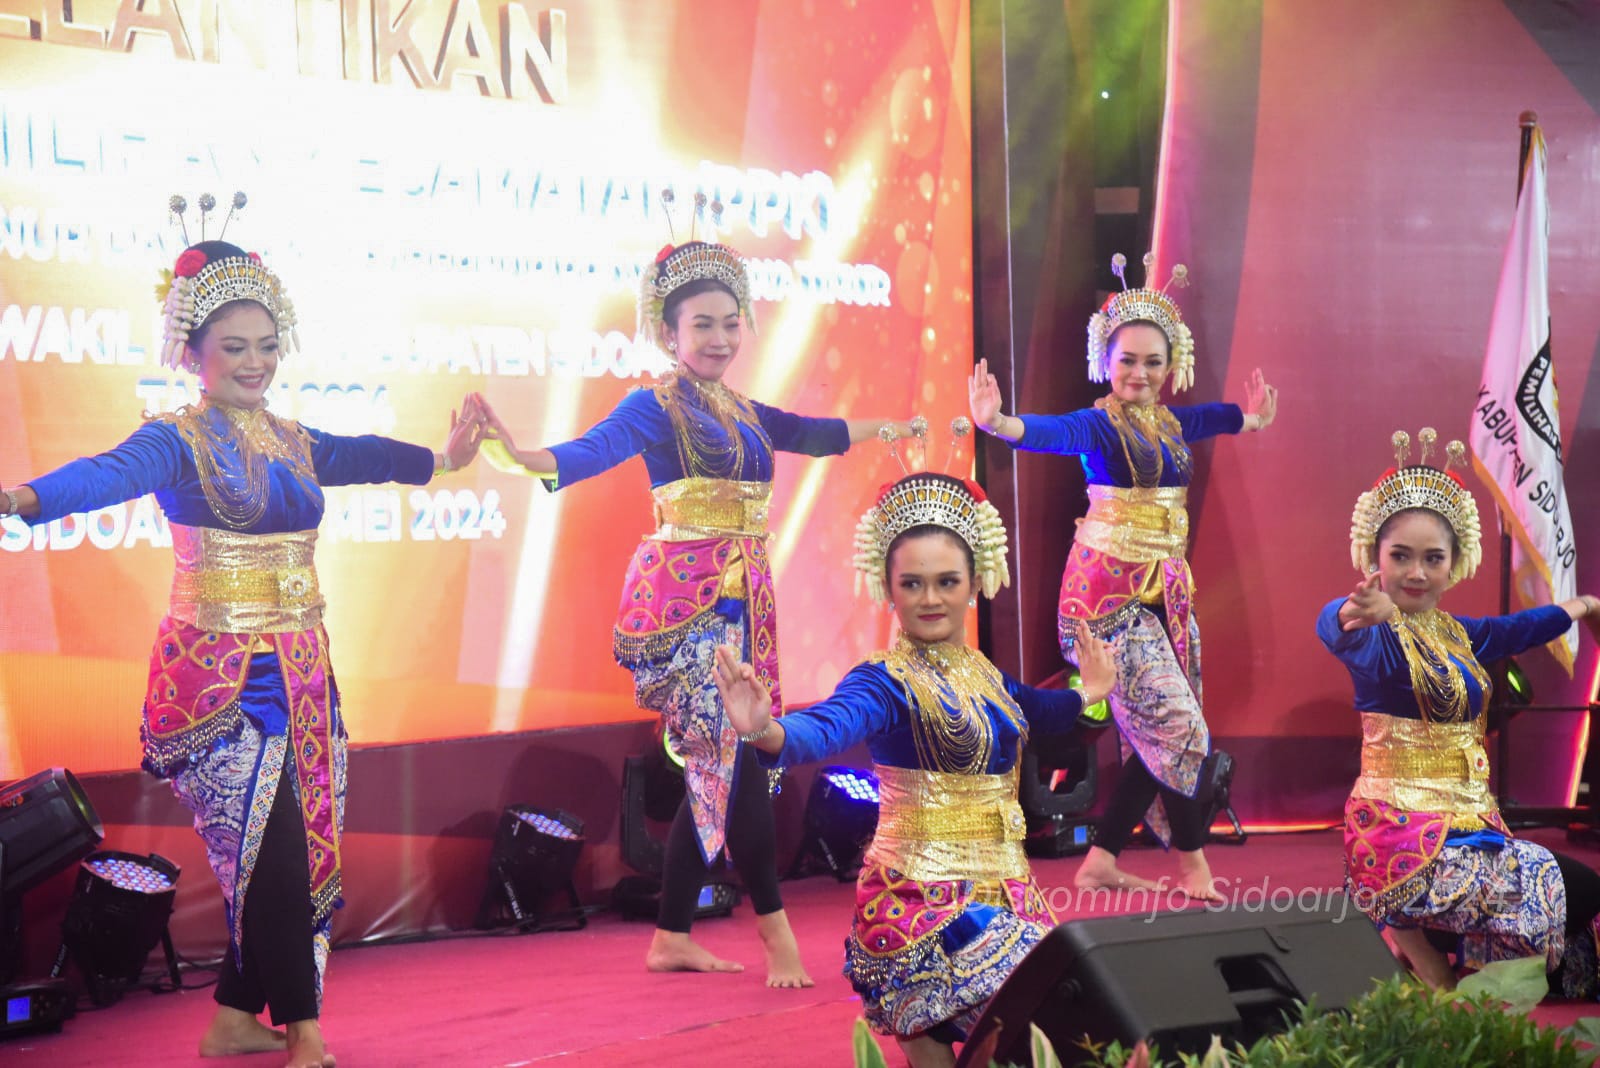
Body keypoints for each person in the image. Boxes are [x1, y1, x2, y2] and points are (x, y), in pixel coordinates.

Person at [0, 233, 484, 1068]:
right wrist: (21, 497)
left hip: (302, 672)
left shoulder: (290, 438)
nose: (256, 363)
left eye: (267, 345)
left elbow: (363, 455)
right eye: (235, 347)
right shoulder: (175, 441)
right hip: (220, 683)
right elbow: (105, 474)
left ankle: (232, 1017)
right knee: (275, 854)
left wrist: (441, 459)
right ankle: (305, 1032)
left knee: (298, 847)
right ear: (192, 353)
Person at [472, 237, 912, 987]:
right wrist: (512, 455)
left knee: (719, 765)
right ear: (667, 332)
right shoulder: (653, 407)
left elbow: (812, 433)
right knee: (731, 764)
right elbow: (584, 454)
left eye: (730, 323)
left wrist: (894, 428)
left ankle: (671, 935)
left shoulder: (740, 409)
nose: (719, 338)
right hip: (686, 610)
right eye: (701, 324)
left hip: (745, 607)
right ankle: (777, 937)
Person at [712, 471, 1117, 1068]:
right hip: (920, 908)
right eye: (913, 584)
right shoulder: (882, 681)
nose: (930, 599)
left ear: (974, 584)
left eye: (947, 582)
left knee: (1071, 1031)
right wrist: (766, 731)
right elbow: (829, 724)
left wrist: (1089, 692)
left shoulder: (982, 672)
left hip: (1009, 896)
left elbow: (1039, 708)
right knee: (1054, 1015)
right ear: (889, 589)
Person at [967, 253, 1278, 900]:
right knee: (1180, 729)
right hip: (1106, 601)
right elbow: (1049, 432)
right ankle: (1191, 866)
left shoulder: (1169, 422)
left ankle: (1104, 859)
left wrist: (1250, 419)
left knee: (1158, 734)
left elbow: (1209, 418)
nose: (1140, 373)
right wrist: (998, 423)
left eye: (1153, 362)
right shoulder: (1098, 425)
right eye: (1127, 360)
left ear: (1171, 365)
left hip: (1164, 593)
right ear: (1104, 360)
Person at [1319, 427, 1600, 994]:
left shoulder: (1455, 632)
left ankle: (1433, 956)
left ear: (1454, 565)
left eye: (1432, 559)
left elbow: (1517, 628)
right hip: (1399, 838)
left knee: (1579, 912)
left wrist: (1583, 604)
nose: (1416, 573)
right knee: (1566, 887)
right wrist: (1357, 611)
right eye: (1400, 556)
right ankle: (1415, 941)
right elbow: (1336, 624)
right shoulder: (1373, 635)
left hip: (1467, 826)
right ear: (1374, 557)